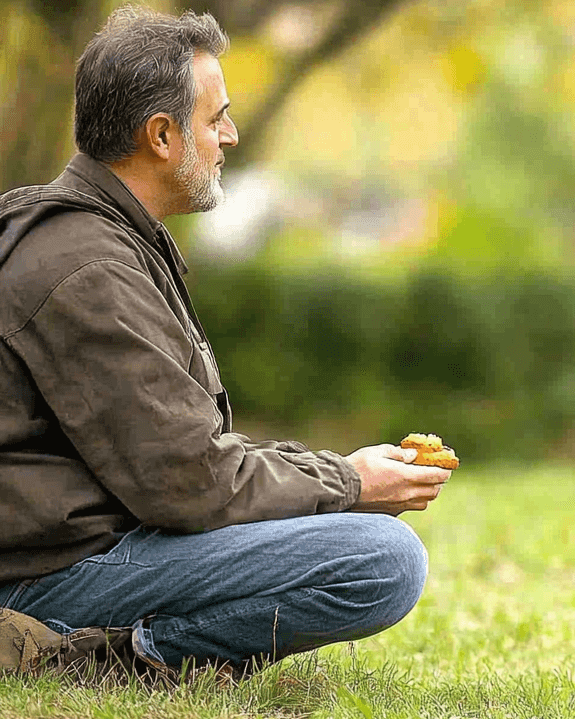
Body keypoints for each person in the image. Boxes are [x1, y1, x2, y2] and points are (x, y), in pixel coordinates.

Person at [0, 6, 451, 679]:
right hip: (49, 575)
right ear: (160, 135)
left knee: (370, 548)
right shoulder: (85, 267)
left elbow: (183, 461)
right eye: (215, 119)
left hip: (79, 548)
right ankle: (101, 655)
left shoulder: (103, 240)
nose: (231, 136)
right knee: (379, 558)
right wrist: (350, 481)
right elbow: (189, 483)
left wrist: (336, 475)